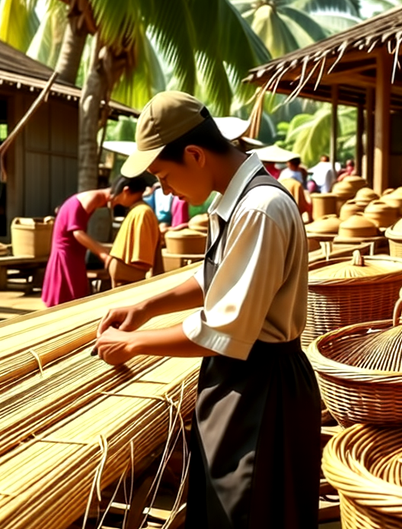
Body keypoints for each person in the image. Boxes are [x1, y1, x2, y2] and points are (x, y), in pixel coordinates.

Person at [94, 91, 320, 529]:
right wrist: (145, 305)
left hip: (261, 391)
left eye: (163, 175)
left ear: (194, 155)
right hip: (244, 380)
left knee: (250, 512)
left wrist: (133, 343)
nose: (165, 190)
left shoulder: (260, 209)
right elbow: (216, 275)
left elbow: (220, 329)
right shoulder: (240, 201)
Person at [41, 184, 119, 308]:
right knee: (69, 296)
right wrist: (103, 253)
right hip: (66, 252)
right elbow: (77, 232)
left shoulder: (94, 199)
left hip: (74, 251)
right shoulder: (94, 198)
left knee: (74, 293)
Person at [107, 176, 161, 287]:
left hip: (130, 285)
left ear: (125, 191)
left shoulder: (142, 213)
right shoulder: (137, 210)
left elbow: (142, 261)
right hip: (123, 283)